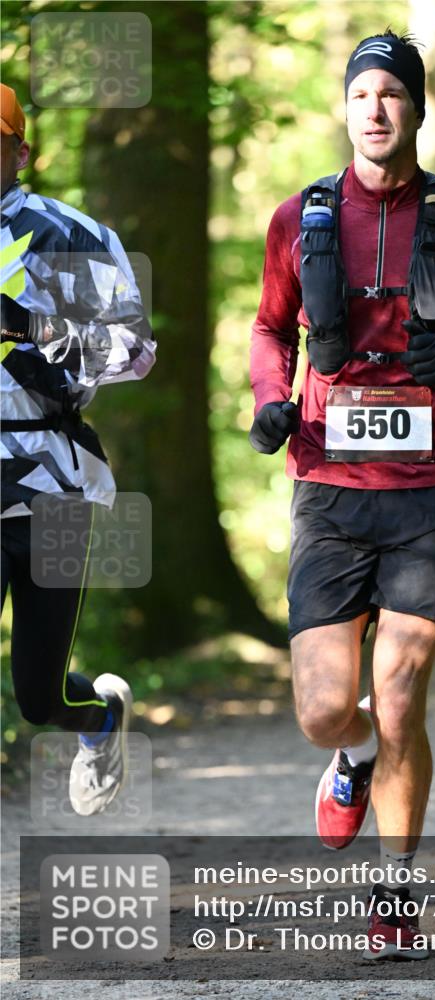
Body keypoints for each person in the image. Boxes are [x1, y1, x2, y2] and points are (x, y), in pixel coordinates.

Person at [249, 32, 435, 960]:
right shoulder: (300, 219)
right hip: (329, 491)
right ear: (345, 109)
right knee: (323, 710)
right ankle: (352, 756)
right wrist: (269, 400)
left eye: (393, 94)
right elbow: (268, 327)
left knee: (401, 687)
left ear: (417, 111)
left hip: (428, 495)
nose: (375, 108)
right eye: (362, 93)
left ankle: (393, 889)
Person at [1, 85, 155, 815]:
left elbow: (132, 351)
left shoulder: (63, 234)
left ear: (20, 151)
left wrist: (30, 329)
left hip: (52, 481)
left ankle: (98, 719)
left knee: (38, 695)